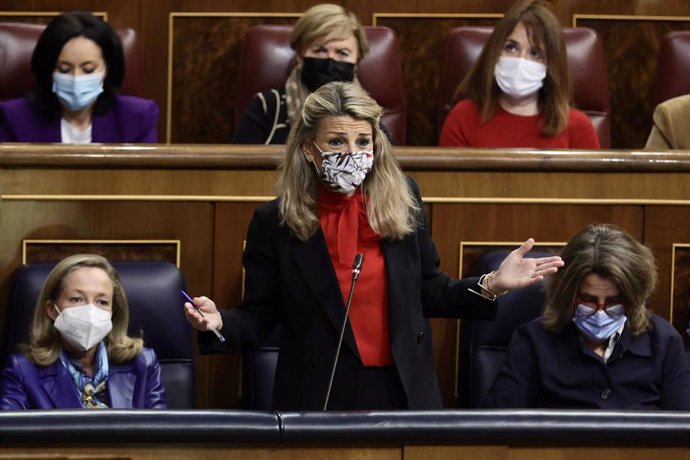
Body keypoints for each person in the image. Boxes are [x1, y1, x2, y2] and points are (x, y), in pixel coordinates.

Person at [185, 81, 563, 411]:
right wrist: (219, 323)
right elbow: (261, 317)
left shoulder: (403, 199)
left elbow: (428, 290)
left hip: (402, 389)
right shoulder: (277, 223)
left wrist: (491, 283)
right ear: (307, 149)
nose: (352, 152)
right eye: (336, 141)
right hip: (321, 392)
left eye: (362, 140)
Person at [484, 223, 690, 410]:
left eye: (613, 302)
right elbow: (495, 430)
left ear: (632, 299)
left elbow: (681, 434)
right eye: (588, 300)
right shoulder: (533, 341)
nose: (600, 312)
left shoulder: (663, 342)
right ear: (568, 295)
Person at [0, 254, 166, 409]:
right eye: (76, 299)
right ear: (52, 309)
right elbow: (11, 438)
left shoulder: (143, 363)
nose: (90, 311)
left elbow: (160, 435)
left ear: (113, 312)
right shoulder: (23, 371)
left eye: (102, 302)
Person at [438, 0, 599, 149]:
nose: (521, 60)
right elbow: (450, 180)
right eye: (511, 47)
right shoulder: (463, 116)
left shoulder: (577, 126)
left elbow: (592, 181)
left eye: (535, 53)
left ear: (551, 66)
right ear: (494, 52)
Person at [0, 11, 158, 143]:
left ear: (107, 69)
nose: (76, 78)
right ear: (49, 70)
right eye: (64, 69)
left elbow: (144, 179)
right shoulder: (14, 118)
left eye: (88, 70)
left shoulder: (138, 117)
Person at [232, 3, 368, 144]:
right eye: (319, 50)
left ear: (357, 61)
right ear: (300, 55)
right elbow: (238, 163)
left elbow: (387, 162)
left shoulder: (368, 113)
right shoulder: (268, 107)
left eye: (342, 53)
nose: (330, 60)